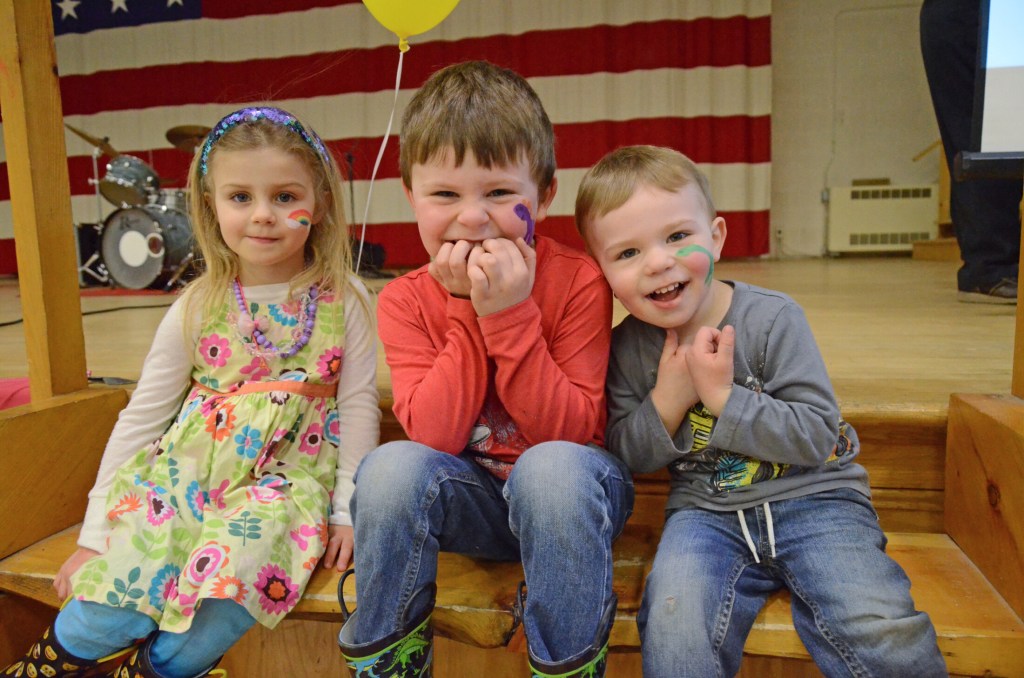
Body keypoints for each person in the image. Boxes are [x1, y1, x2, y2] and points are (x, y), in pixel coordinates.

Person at [3, 107, 380, 678]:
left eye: (284, 197)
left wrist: (347, 508)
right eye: (240, 197)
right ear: (209, 205)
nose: (263, 215)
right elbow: (141, 419)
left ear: (320, 202)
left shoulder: (344, 297)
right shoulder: (198, 303)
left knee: (231, 588)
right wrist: (96, 533)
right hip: (186, 476)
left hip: (284, 486)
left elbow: (355, 407)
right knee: (111, 597)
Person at [575, 145, 947, 677]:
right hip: (705, 513)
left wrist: (724, 399)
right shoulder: (629, 348)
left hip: (817, 501)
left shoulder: (772, 320)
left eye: (678, 237)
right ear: (601, 271)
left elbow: (818, 434)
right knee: (674, 624)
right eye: (627, 253)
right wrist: (670, 399)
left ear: (717, 237)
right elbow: (626, 453)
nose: (659, 261)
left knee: (879, 626)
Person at [336, 61, 634, 678]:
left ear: (543, 196)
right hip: (472, 500)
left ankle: (567, 664)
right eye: (445, 195)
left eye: (499, 194)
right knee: (389, 467)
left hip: (571, 495)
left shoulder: (578, 281)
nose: (473, 218)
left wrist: (511, 313)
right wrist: (467, 310)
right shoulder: (404, 299)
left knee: (549, 469)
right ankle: (388, 660)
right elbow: (435, 438)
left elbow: (571, 433)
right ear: (411, 196)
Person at [920, 0, 1021, 303]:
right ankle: (989, 268)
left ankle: (992, 265)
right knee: (983, 144)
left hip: (1004, 14)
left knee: (1004, 140)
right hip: (971, 16)